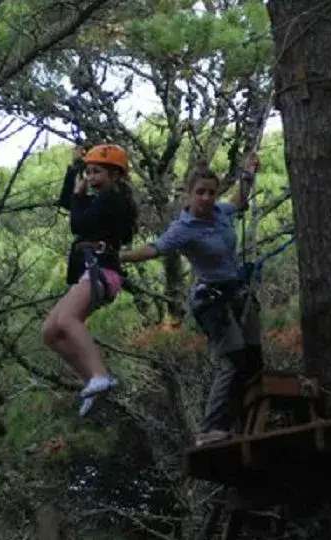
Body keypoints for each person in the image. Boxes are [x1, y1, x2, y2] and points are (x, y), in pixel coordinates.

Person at [120, 153, 263, 446]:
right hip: (210, 300)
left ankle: (247, 420)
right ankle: (211, 427)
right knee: (233, 359)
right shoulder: (183, 229)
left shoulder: (222, 213)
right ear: (189, 194)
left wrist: (248, 172)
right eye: (200, 192)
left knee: (253, 358)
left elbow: (238, 201)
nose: (207, 198)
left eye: (211, 192)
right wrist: (119, 256)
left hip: (236, 291)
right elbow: (155, 249)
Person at [41, 143, 139, 417]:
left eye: (97, 172)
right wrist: (74, 170)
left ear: (116, 175)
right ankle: (93, 381)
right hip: (91, 270)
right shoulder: (101, 199)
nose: (91, 178)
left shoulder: (114, 200)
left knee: (67, 321)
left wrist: (78, 196)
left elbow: (78, 224)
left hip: (103, 270)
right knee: (49, 332)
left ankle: (100, 374)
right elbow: (67, 203)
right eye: (89, 172)